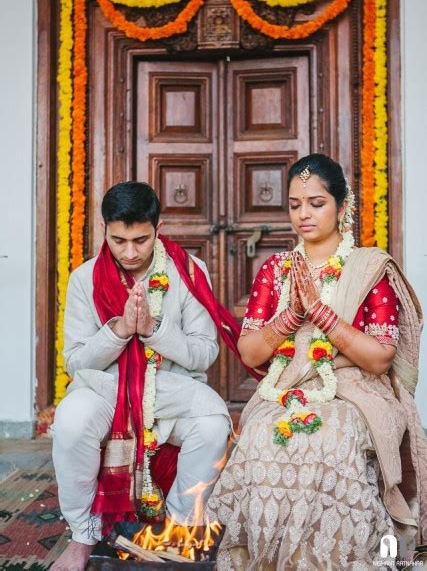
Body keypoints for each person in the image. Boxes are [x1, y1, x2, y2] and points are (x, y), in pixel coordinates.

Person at [206, 153, 427, 570]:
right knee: (261, 439)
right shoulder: (276, 270)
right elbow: (250, 352)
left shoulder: (369, 268)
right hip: (289, 387)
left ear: (342, 207)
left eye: (316, 203)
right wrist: (291, 316)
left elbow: (380, 359)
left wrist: (322, 315)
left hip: (357, 390)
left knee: (331, 441)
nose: (303, 214)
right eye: (294, 204)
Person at [51, 181, 234, 571]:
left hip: (170, 391)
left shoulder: (189, 273)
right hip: (106, 389)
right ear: (104, 230)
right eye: (118, 240)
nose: (130, 252)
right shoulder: (85, 280)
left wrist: (155, 330)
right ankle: (83, 535)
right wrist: (118, 332)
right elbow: (77, 363)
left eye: (141, 240)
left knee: (214, 424)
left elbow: (205, 352)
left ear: (158, 227)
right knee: (70, 421)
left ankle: (181, 529)